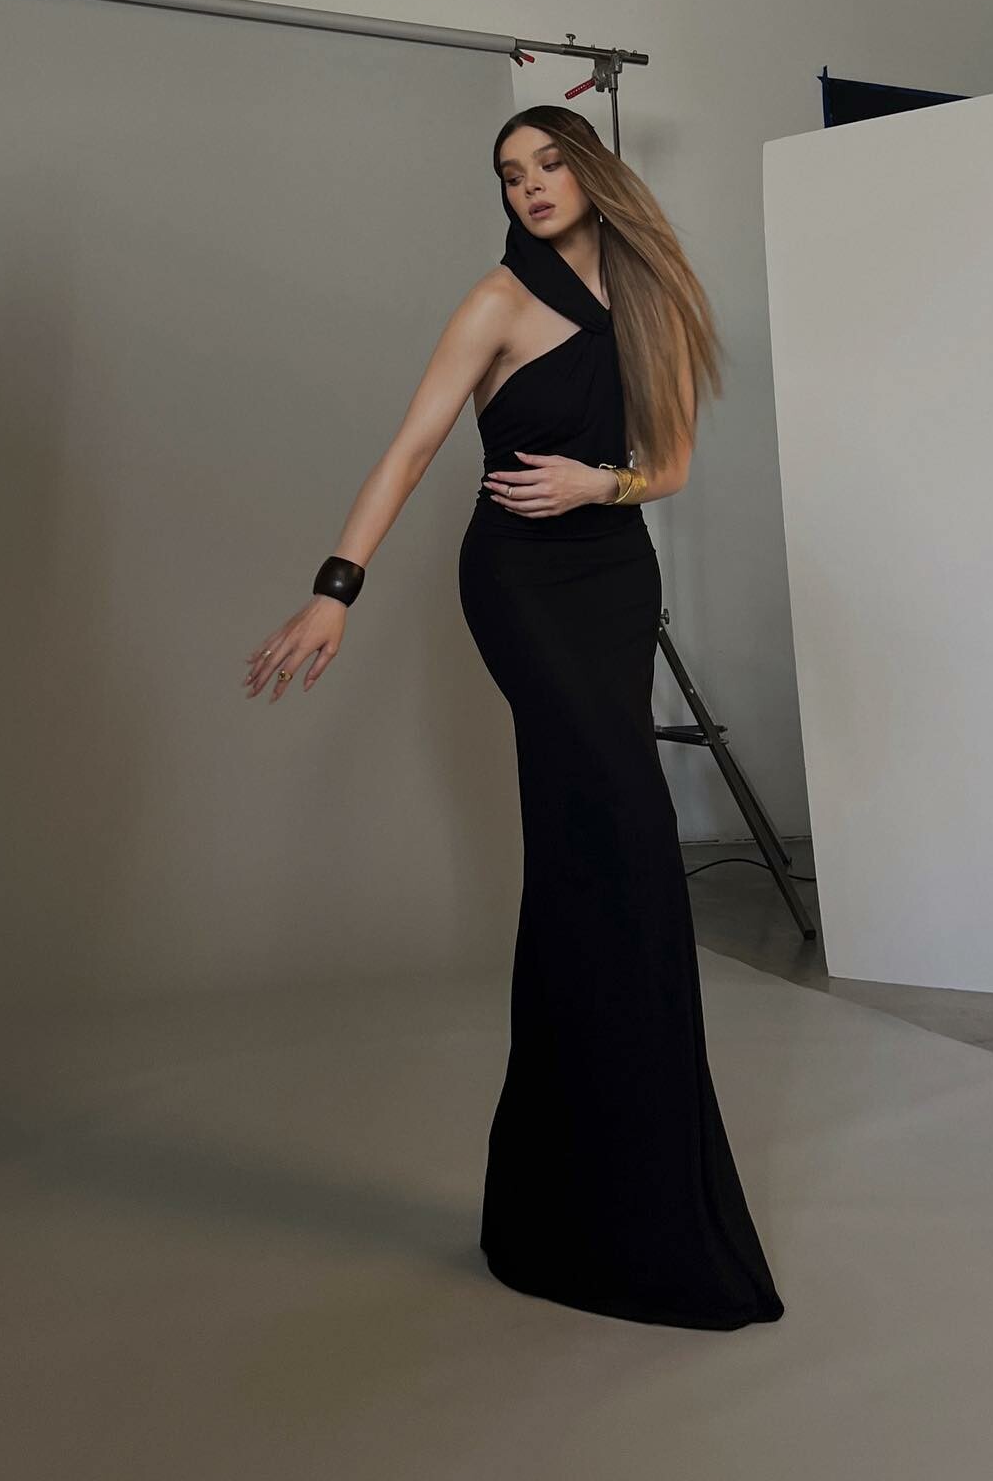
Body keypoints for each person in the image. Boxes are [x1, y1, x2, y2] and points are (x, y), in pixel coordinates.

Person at [243, 105, 785, 1330]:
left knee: (605, 860)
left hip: (614, 579)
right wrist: (335, 592)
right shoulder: (494, 302)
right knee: (620, 839)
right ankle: (599, 1205)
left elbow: (671, 466)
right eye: (508, 174)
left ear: (591, 174)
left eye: (547, 164)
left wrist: (605, 482)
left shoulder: (651, 300)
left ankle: (595, 1200)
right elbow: (410, 448)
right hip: (521, 588)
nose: (530, 185)